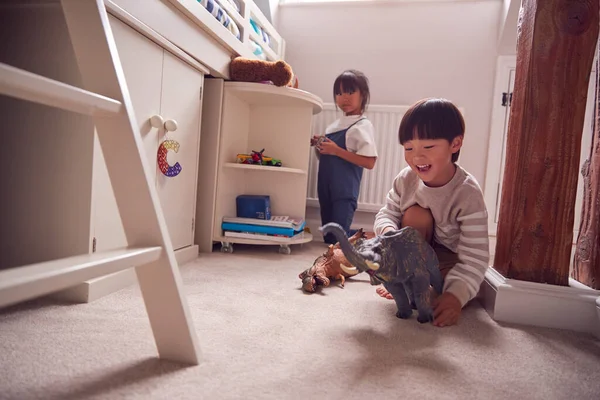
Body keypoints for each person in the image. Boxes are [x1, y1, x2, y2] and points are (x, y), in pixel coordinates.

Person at [373, 98, 489, 328]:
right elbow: (386, 214)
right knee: (414, 215)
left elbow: (475, 257)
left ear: (455, 144)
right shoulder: (406, 179)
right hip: (416, 251)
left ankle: (433, 289)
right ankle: (409, 283)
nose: (417, 157)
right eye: (409, 148)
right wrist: (389, 233)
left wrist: (455, 296)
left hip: (449, 259)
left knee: (467, 286)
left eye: (428, 147)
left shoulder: (467, 192)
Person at [311, 70, 378, 245]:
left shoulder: (361, 126)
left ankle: (372, 237)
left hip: (344, 190)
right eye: (339, 93)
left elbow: (369, 162)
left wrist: (336, 150)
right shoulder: (334, 126)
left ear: (362, 95)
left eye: (350, 92)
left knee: (339, 239)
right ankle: (364, 236)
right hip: (326, 188)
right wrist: (320, 144)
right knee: (329, 237)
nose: (344, 98)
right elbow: (327, 158)